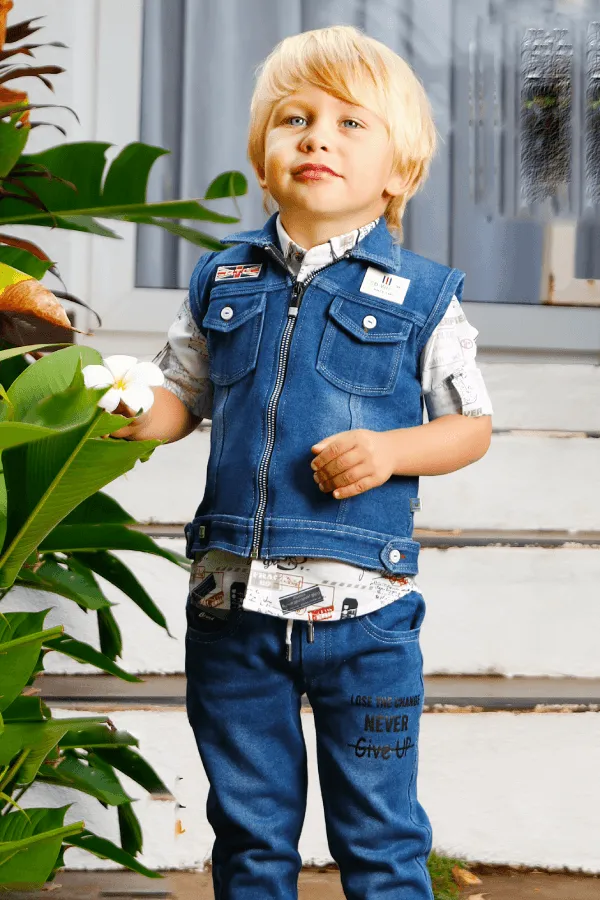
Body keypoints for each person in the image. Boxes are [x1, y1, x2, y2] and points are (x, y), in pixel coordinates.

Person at [113, 25, 493, 900]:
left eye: (351, 123)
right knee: (249, 837)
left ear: (399, 171)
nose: (317, 135)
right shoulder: (222, 280)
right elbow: (180, 402)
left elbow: (469, 426)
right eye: (295, 118)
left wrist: (393, 450)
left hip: (365, 620)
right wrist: (131, 414)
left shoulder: (424, 296)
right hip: (230, 611)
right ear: (263, 156)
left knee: (382, 839)